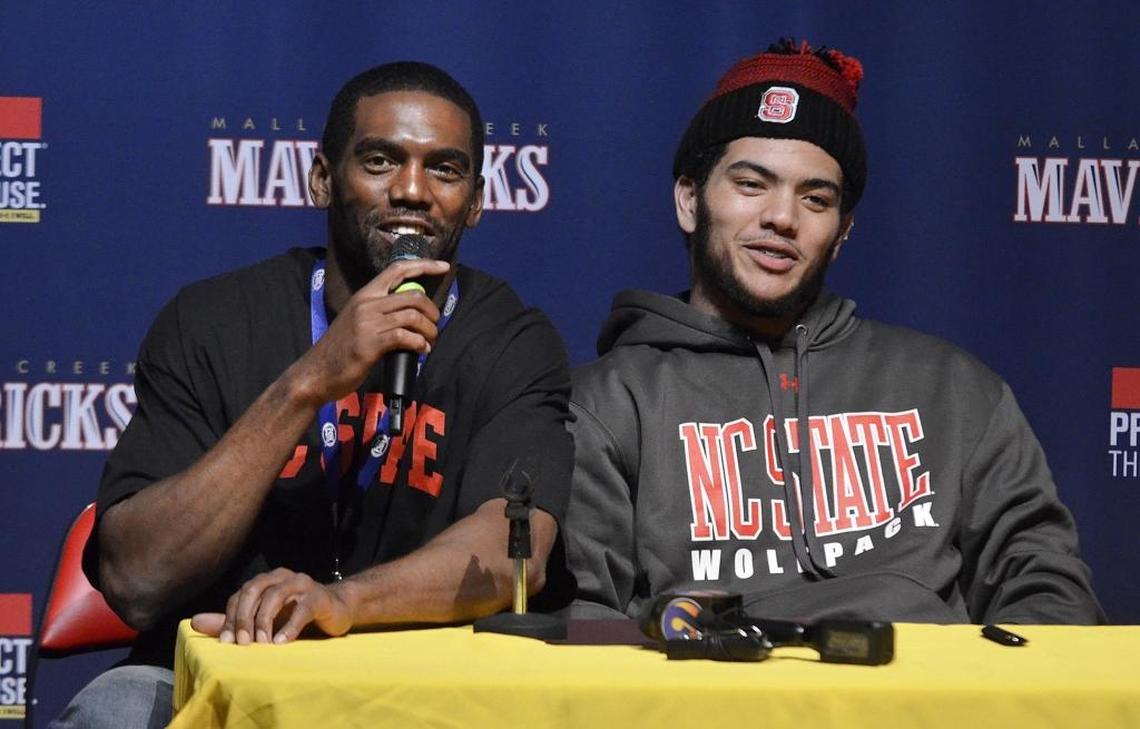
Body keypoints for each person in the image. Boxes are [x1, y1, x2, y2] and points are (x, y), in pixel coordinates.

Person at [53, 61, 573, 728]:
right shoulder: (213, 320)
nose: (412, 190)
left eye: (444, 169)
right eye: (381, 161)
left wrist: (342, 600)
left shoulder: (511, 340)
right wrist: (309, 381)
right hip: (224, 670)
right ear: (323, 177)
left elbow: (509, 554)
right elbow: (136, 579)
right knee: (116, 709)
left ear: (475, 199)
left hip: (420, 683)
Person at [564, 39, 1104, 626]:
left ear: (842, 231)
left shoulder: (956, 390)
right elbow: (583, 616)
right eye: (751, 184)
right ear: (690, 200)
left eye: (815, 198)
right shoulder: (608, 403)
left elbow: (1048, 589)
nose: (781, 217)